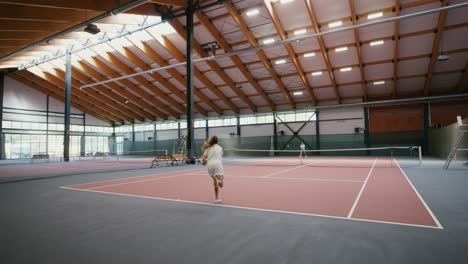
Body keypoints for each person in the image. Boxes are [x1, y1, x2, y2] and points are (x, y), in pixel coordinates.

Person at [201, 136, 224, 204]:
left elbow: (203, 159)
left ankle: (216, 198)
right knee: (221, 184)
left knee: (215, 182)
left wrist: (204, 163)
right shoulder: (220, 148)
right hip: (217, 165)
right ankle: (219, 181)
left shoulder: (207, 148)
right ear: (217, 141)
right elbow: (220, 156)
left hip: (210, 165)